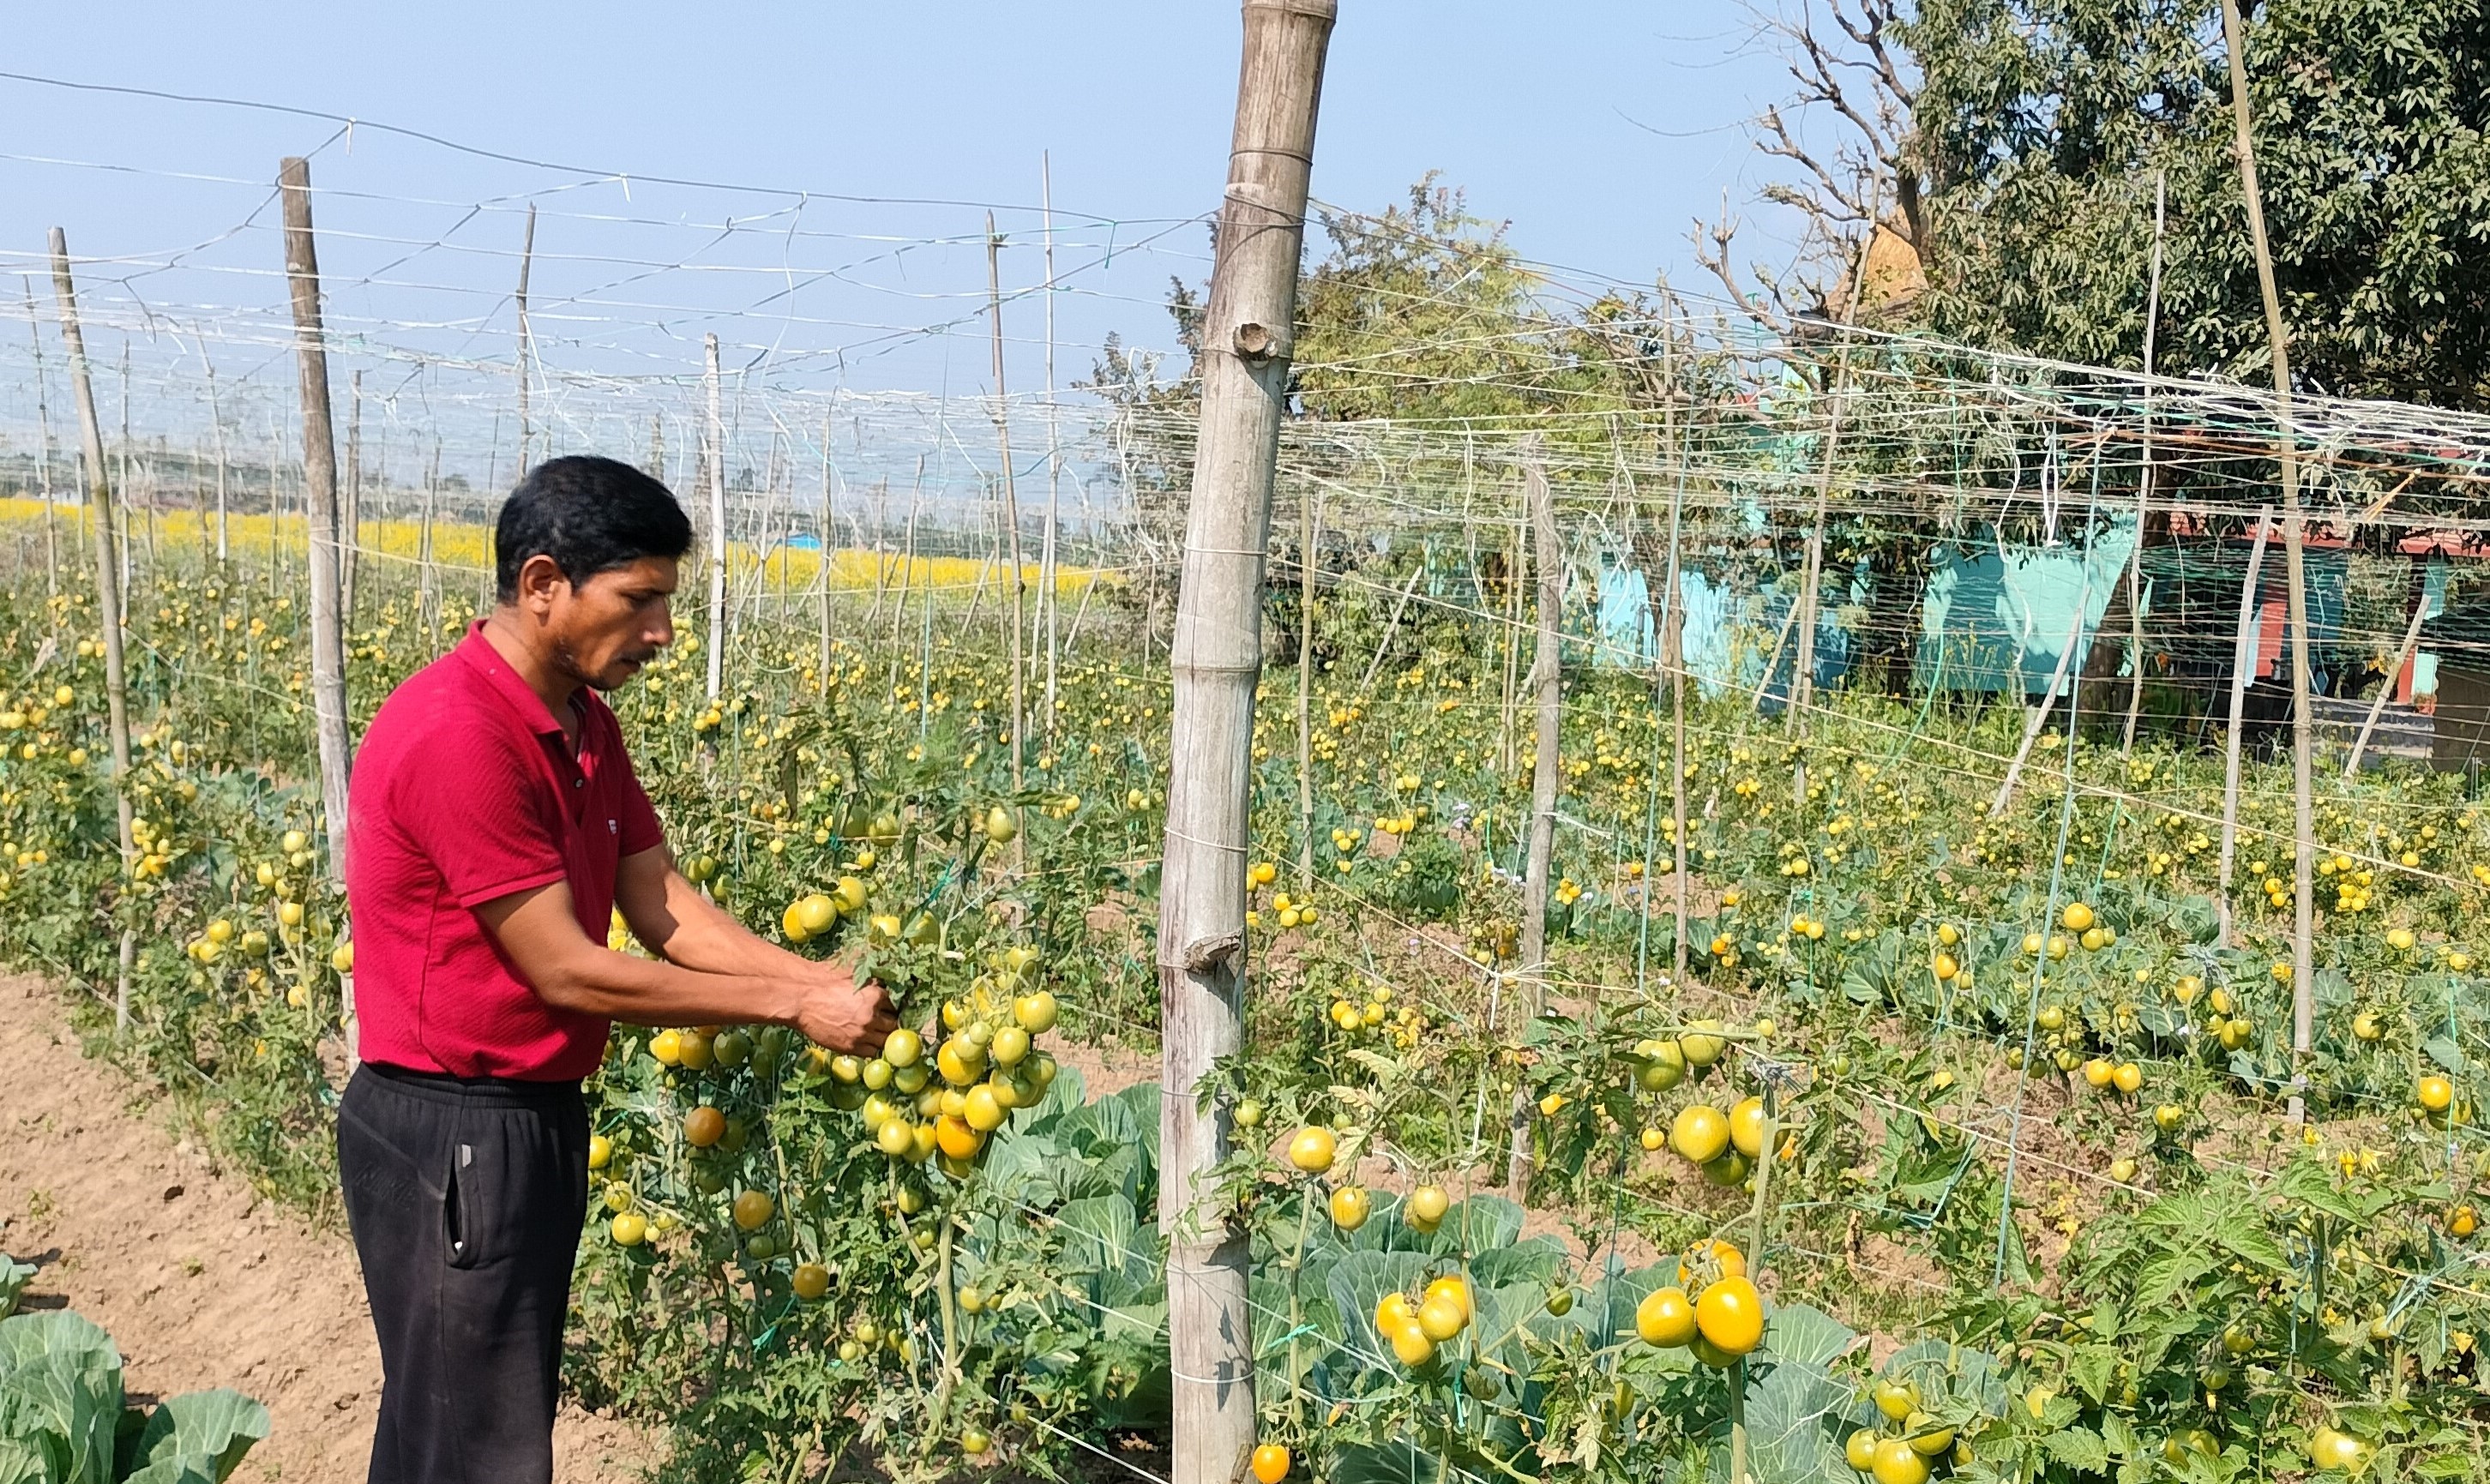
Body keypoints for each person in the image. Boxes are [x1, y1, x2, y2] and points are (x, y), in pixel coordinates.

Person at [335, 455, 895, 1484]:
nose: (663, 634)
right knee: (480, 1452)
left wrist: (826, 979)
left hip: (521, 1121)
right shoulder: (462, 732)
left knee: (448, 1435)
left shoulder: (583, 723)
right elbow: (568, 971)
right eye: (640, 601)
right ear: (544, 584)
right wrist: (791, 1003)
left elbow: (663, 904)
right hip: (454, 1132)